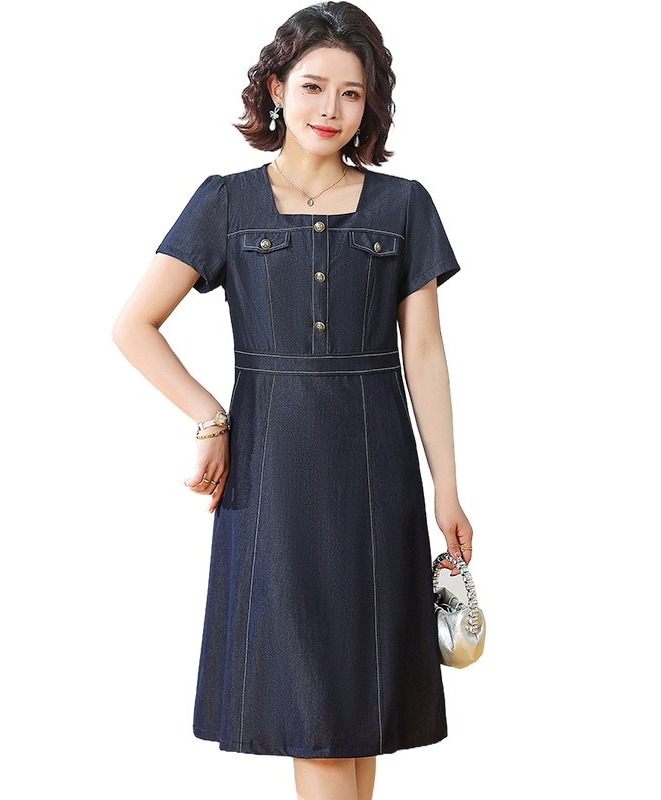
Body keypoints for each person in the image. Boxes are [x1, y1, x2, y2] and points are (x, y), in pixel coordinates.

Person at [112, 3, 474, 798]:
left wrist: (446, 485)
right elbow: (133, 326)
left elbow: (424, 352)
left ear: (370, 104)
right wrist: (209, 417)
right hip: (273, 475)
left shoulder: (404, 204)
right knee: (316, 710)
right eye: (313, 86)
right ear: (276, 88)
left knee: (360, 707)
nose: (330, 109)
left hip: (378, 476)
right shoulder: (226, 201)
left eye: (352, 93)